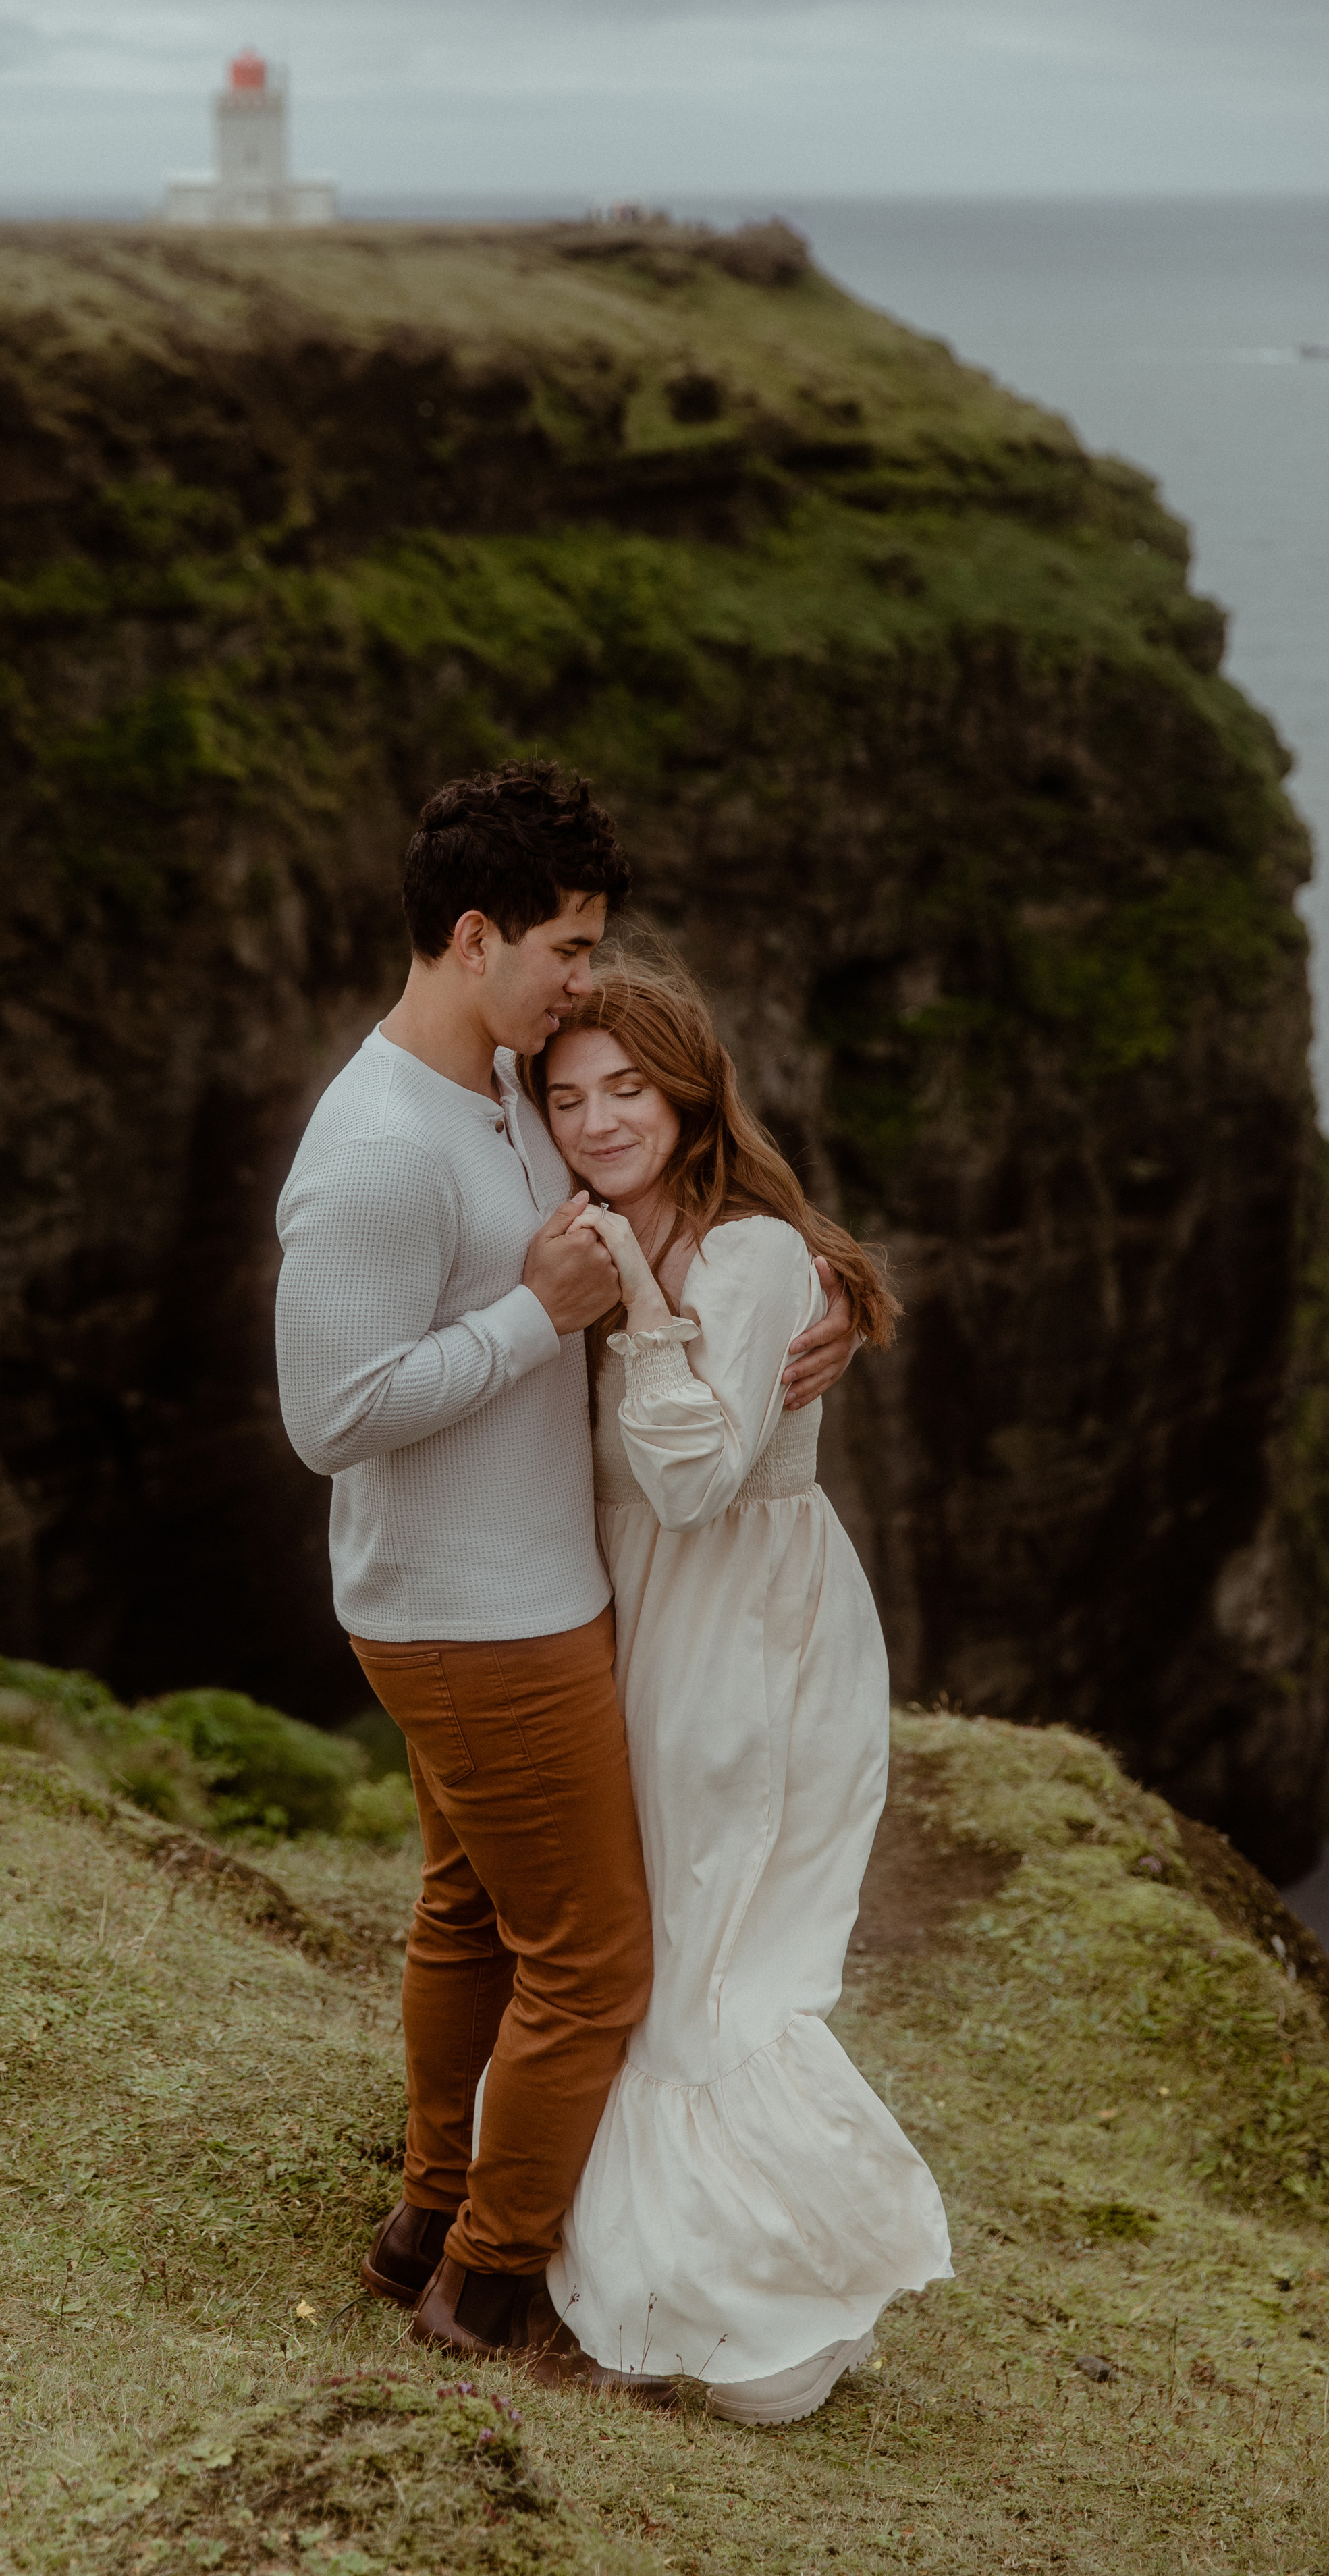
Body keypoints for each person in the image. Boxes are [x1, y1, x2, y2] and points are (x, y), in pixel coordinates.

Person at [273, 761, 859, 2384]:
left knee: (472, 1914)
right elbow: (328, 1417)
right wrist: (532, 1318)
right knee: (593, 1962)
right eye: (568, 948)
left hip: (531, 1585)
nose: (583, 981)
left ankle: (426, 2223)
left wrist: (808, 1302)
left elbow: (662, 1193)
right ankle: (489, 2287)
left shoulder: (500, 1091)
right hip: (474, 1617)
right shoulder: (375, 1147)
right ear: (476, 938)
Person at [522, 946, 953, 2425]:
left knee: (702, 1953)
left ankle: (737, 2277)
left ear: (688, 1094)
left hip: (740, 1624)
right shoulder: (583, 1226)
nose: (596, 1120)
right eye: (566, 1097)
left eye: (626, 1090)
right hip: (637, 1609)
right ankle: (667, 2257)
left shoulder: (751, 1254)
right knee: (652, 1934)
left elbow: (694, 1483)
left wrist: (640, 1293)